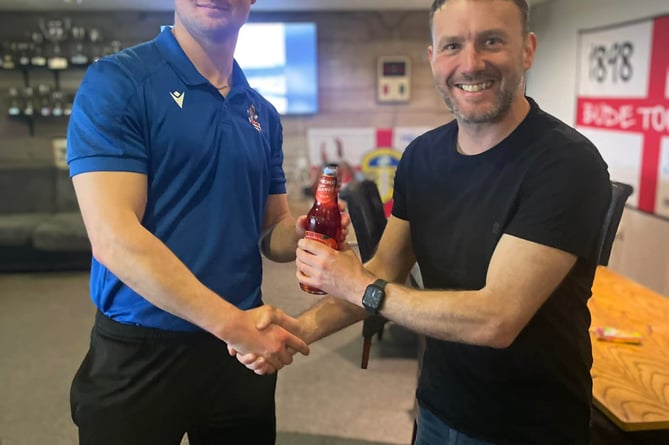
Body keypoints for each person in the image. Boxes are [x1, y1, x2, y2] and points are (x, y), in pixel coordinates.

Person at [236, 0, 611, 443]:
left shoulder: (566, 164)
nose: (471, 64)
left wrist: (359, 286)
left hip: (530, 427)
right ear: (433, 58)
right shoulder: (422, 157)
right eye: (453, 45)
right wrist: (301, 329)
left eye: (492, 41)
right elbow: (382, 270)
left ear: (527, 50)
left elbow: (496, 319)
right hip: (437, 408)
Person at [64, 1, 338, 443]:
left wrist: (307, 228)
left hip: (238, 356)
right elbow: (115, 239)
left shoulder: (261, 112)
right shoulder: (118, 81)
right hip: (144, 352)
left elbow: (272, 231)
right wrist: (237, 326)